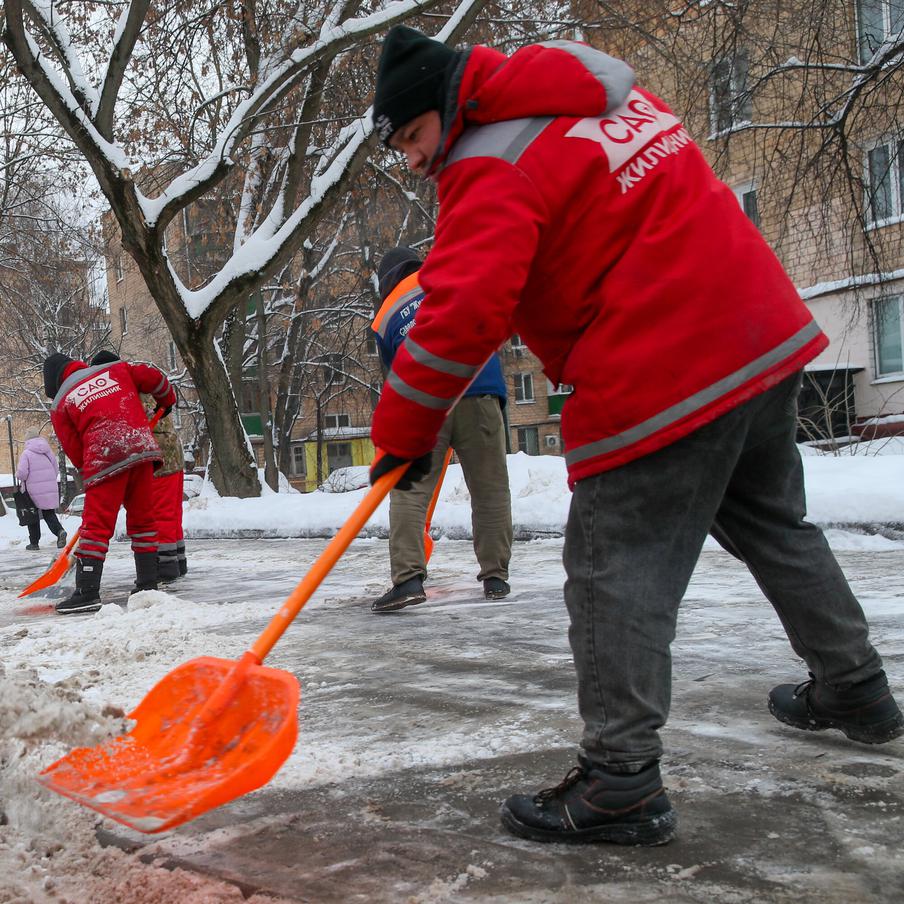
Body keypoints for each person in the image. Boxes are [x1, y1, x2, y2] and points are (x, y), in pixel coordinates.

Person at [367, 26, 904, 846]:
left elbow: (462, 313)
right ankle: (855, 687)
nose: (410, 157)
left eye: (411, 135)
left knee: (612, 570)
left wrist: (401, 432)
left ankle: (620, 780)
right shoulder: (595, 98)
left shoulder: (486, 162)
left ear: (448, 104)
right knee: (772, 523)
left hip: (663, 362)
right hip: (755, 333)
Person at [370, 246, 513, 613]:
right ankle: (495, 577)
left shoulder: (386, 314)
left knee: (409, 492)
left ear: (387, 282)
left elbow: (394, 377)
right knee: (490, 490)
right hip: (479, 386)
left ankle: (408, 580)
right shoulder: (454, 276)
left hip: (423, 400)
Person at [44, 351, 176, 614]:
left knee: (96, 526)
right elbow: (154, 377)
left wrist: (91, 470)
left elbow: (73, 448)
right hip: (141, 448)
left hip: (104, 456)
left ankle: (87, 591)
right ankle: (148, 584)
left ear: (54, 382)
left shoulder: (61, 402)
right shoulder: (117, 369)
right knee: (143, 521)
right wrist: (167, 399)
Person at [91, 350, 188, 583]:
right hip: (172, 453)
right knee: (172, 514)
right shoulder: (141, 383)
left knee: (159, 514)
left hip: (157, 459)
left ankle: (165, 568)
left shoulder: (128, 390)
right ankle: (177, 561)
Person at [15, 426, 67, 551]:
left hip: (32, 490)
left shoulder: (26, 453)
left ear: (27, 440)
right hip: (49, 487)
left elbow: (22, 473)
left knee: (32, 514)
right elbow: (55, 469)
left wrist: (18, 475)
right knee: (49, 513)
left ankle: (34, 543)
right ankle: (59, 531)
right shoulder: (48, 452)